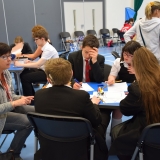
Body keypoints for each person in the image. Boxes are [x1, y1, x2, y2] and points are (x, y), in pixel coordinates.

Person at [34, 58, 108, 160]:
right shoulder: (81, 96)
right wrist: (94, 104)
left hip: (49, 140)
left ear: (48, 79)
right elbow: (96, 121)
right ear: (71, 74)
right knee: (104, 115)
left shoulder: (39, 95)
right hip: (78, 142)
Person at [109, 47, 160, 160]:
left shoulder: (138, 88)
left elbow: (125, 109)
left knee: (116, 131)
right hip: (155, 127)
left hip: (146, 130)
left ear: (138, 67)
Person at [0, 42, 35, 160]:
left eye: (10, 56)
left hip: (7, 109)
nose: (9, 59)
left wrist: (21, 98)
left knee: (38, 112)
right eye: (4, 57)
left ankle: (47, 146)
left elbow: (11, 95)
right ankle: (13, 154)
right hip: (1, 115)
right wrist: (14, 103)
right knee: (28, 122)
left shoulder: (6, 73)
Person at [106, 41, 141, 128]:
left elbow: (148, 81)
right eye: (125, 54)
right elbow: (112, 75)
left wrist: (137, 73)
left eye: (130, 55)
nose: (126, 57)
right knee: (118, 109)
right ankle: (114, 131)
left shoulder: (142, 64)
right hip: (121, 91)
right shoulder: (118, 62)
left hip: (139, 93)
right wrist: (111, 79)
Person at [14, 29, 59, 98]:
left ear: (42, 39)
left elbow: (38, 65)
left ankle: (30, 100)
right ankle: (32, 95)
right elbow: (42, 63)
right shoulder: (45, 47)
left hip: (50, 73)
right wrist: (31, 62)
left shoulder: (48, 49)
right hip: (45, 69)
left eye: (36, 39)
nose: (35, 41)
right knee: (24, 73)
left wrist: (20, 64)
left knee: (25, 78)